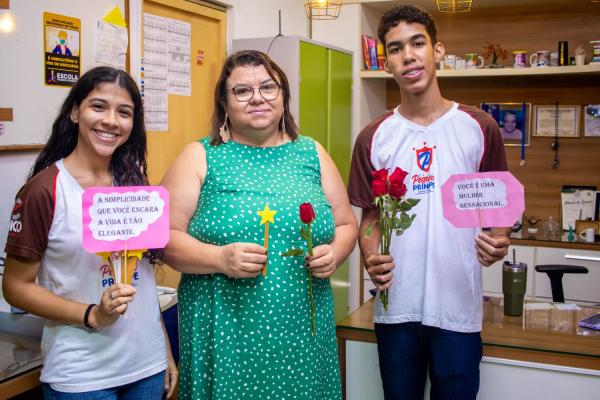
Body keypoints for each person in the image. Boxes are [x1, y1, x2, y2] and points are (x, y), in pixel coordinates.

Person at [161, 50, 357, 400]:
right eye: (242, 90)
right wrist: (219, 259)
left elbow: (346, 224)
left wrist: (335, 252)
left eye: (268, 87)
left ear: (283, 96)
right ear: (224, 101)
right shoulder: (201, 155)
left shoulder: (312, 153)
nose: (257, 98)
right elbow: (164, 239)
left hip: (302, 334)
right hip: (225, 334)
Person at [348, 6, 511, 400]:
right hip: (396, 311)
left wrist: (498, 240)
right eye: (396, 48)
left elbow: (499, 209)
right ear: (386, 62)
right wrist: (371, 255)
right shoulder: (375, 136)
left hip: (458, 311)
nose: (409, 55)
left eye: (417, 43)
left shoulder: (479, 128)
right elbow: (370, 215)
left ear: (437, 50)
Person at [2, 66, 177, 399]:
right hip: (81, 375)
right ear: (74, 112)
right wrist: (92, 314)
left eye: (123, 112)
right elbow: (15, 287)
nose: (111, 120)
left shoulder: (134, 187)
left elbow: (144, 277)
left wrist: (165, 351)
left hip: (147, 367)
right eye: (98, 106)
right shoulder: (44, 191)